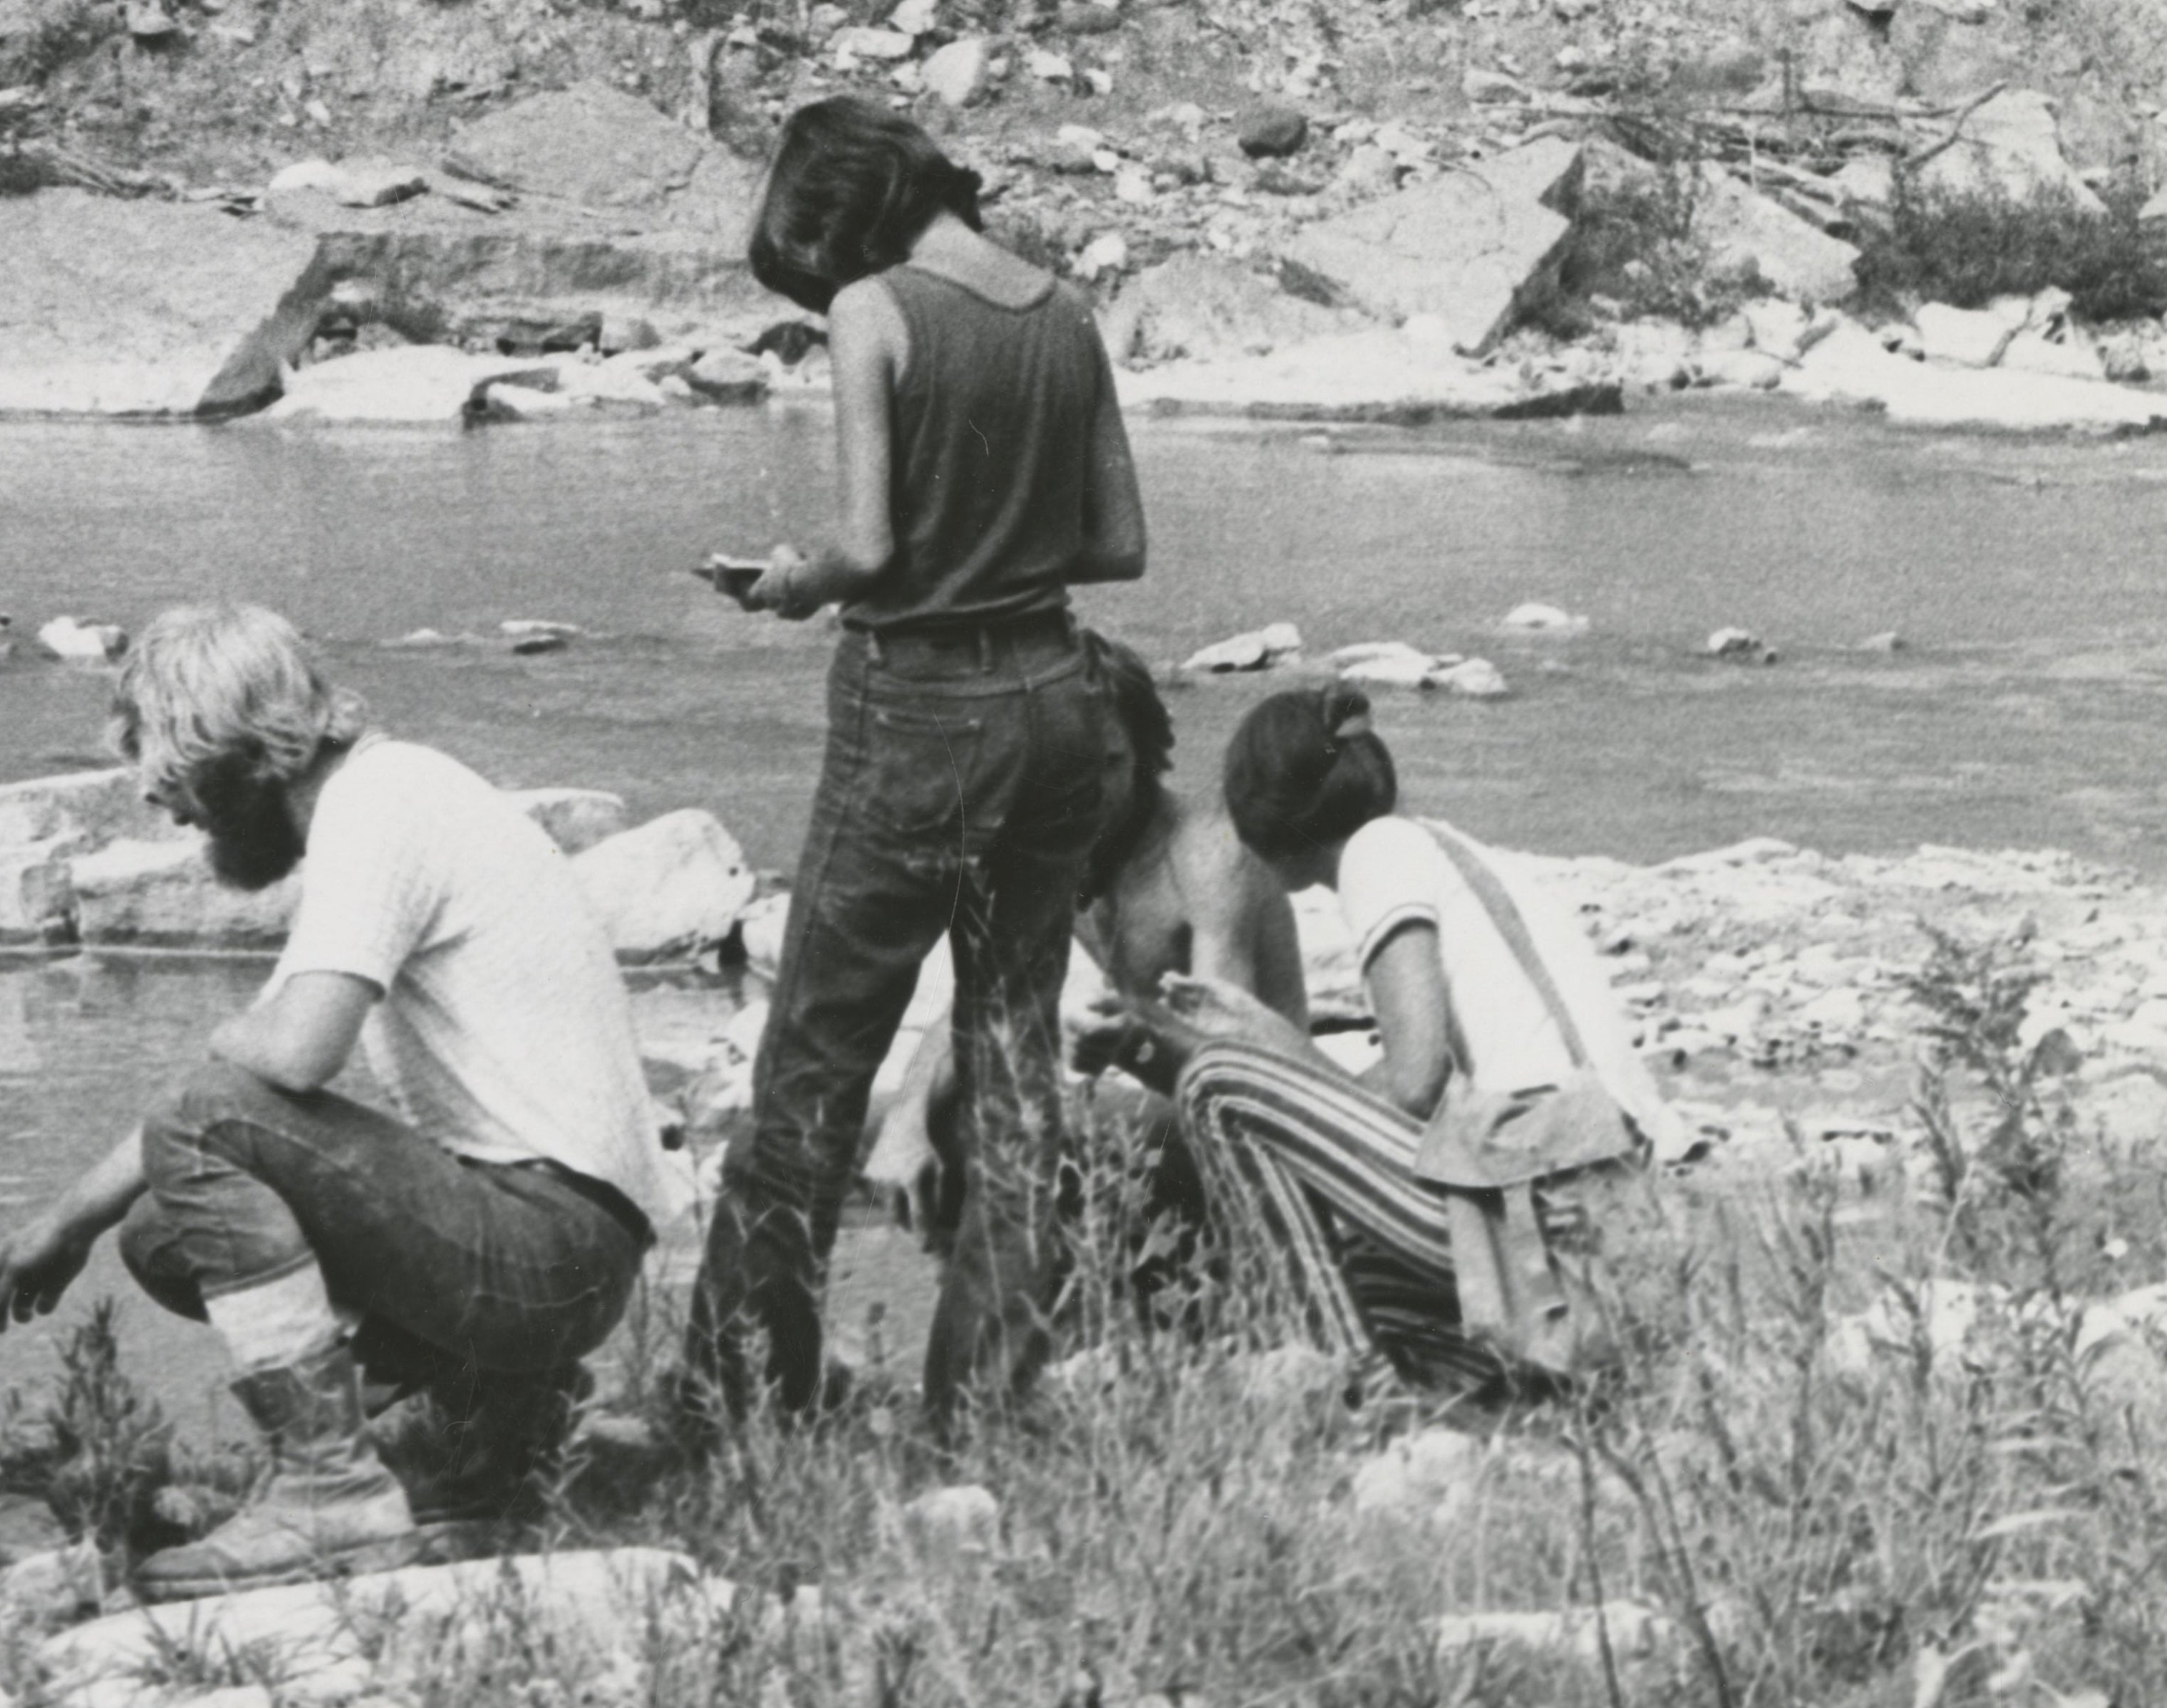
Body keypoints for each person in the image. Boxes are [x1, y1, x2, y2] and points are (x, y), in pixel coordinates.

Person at [0, 607, 677, 1598]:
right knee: (159, 1229)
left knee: (202, 1120)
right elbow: (256, 1076)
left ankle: (327, 1485)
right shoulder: (391, 792)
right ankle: (496, 1415)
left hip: (549, 1247)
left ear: (242, 760)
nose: (180, 820)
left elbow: (285, 1056)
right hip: (565, 1247)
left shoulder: (376, 806)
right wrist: (66, 1220)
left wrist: (223, 1041)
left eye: (186, 795)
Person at [681, 99, 1145, 1431]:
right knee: (1011, 1055)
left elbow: (868, 551)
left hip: (918, 710)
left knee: (815, 1061)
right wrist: (1004, 526)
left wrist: (780, 582)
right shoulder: (1062, 312)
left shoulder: (875, 309)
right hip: (1059, 701)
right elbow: (1116, 544)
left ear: (846, 219)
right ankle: (985, 1403)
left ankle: (738, 1392)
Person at [1147, 684, 1696, 1396]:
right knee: (1367, 1277)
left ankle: (1353, 1382)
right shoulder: (1445, 845)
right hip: (1607, 1192)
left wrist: (1272, 1048)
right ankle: (1546, 1390)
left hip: (1553, 1186)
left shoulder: (1379, 853)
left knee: (1216, 1083)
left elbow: (1415, 1080)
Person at [873, 635, 1309, 1274]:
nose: (1088, 792)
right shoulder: (1051, 854)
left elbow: (1223, 1069)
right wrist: (908, 1120)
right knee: (878, 1125)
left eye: (1108, 764)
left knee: (1008, 1129)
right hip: (1157, 1104)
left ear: (1144, 755)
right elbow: (981, 1002)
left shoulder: (1208, 857)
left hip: (1259, 1120)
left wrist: (1119, 1049)